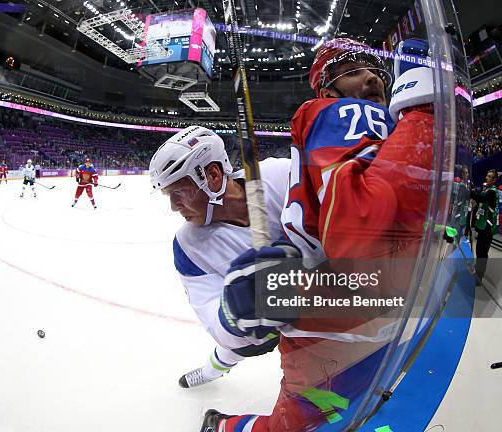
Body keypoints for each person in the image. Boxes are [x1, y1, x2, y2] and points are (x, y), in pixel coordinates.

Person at [202, 38, 435, 431]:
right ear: (328, 90)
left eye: (374, 69)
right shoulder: (348, 112)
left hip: (348, 301)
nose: (371, 78)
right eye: (353, 70)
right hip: (343, 304)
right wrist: (424, 112)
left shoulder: (366, 119)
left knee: (310, 420)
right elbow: (361, 231)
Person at [149, 125, 290, 388]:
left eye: (178, 193)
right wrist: (236, 313)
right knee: (232, 351)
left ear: (212, 175)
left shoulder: (280, 175)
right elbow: (216, 322)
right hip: (261, 332)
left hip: (321, 304)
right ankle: (210, 372)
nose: (173, 207)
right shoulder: (187, 246)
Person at [471, 168, 499, 283]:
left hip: (487, 228)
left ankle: (479, 278)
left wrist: (471, 193)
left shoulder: (492, 191)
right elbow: (482, 202)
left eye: (490, 176)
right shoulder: (487, 190)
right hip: (483, 228)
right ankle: (477, 272)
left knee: (482, 253)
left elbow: (482, 198)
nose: (487, 178)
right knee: (479, 251)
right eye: (487, 175)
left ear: (495, 179)